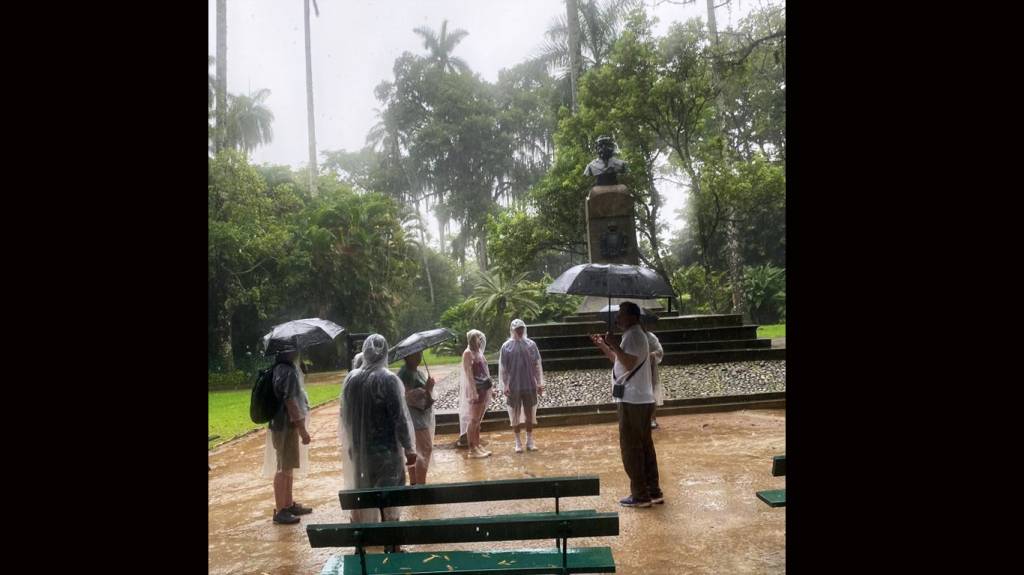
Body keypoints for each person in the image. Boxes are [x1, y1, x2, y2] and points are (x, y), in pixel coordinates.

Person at [339, 335, 417, 531]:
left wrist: (350, 444)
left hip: (360, 451)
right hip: (387, 452)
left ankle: (363, 542)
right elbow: (399, 417)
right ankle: (393, 546)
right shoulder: (389, 379)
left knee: (364, 497)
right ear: (385, 353)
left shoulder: (351, 379)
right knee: (389, 501)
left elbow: (345, 416)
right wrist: (409, 448)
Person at [590, 301, 663, 508]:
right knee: (645, 446)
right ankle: (653, 490)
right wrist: (605, 346)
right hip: (640, 398)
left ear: (632, 316)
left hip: (633, 400)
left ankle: (640, 495)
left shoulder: (633, 335)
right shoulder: (635, 335)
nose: (617, 319)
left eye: (621, 314)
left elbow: (629, 362)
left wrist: (613, 343)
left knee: (631, 448)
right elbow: (620, 361)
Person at [262, 348, 313, 525]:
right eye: (293, 348)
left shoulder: (279, 369)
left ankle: (288, 504)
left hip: (280, 425)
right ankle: (281, 510)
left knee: (288, 465)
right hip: (285, 425)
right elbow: (290, 402)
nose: (296, 351)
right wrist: (302, 430)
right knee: (283, 467)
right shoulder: (287, 372)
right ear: (287, 351)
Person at [498, 319, 545, 453]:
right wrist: (505, 385)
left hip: (529, 384)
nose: (520, 331)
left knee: (530, 414)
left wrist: (539, 383)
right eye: (517, 328)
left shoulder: (531, 345)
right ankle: (517, 442)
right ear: (512, 330)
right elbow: (503, 369)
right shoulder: (506, 346)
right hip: (513, 386)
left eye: (521, 328)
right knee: (515, 415)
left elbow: (537, 365)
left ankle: (530, 441)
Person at [397, 350, 436, 484]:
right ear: (407, 356)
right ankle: (420, 484)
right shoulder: (404, 374)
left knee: (417, 451)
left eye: (420, 353)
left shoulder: (418, 372)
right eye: (416, 354)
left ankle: (415, 483)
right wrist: (427, 388)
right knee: (424, 449)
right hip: (414, 419)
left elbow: (425, 396)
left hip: (420, 417)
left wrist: (429, 388)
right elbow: (408, 396)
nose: (419, 357)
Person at [459, 329, 493, 458]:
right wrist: (473, 392)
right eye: (478, 338)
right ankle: (472, 448)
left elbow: (485, 371)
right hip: (475, 390)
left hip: (483, 388)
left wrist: (490, 388)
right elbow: (469, 375)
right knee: (473, 420)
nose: (480, 341)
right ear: (473, 339)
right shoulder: (467, 354)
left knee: (478, 420)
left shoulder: (478, 352)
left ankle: (478, 445)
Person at [641, 314, 665, 429]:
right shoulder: (632, 336)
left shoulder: (651, 337)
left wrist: (653, 354)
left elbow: (659, 350)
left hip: (650, 368)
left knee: (651, 393)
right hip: (637, 370)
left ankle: (652, 418)